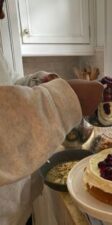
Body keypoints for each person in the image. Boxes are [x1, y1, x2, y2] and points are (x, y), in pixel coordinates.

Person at [0, 0, 104, 224]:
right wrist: (60, 99)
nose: (2, 15)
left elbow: (7, 91)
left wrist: (36, 81)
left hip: (15, 204)